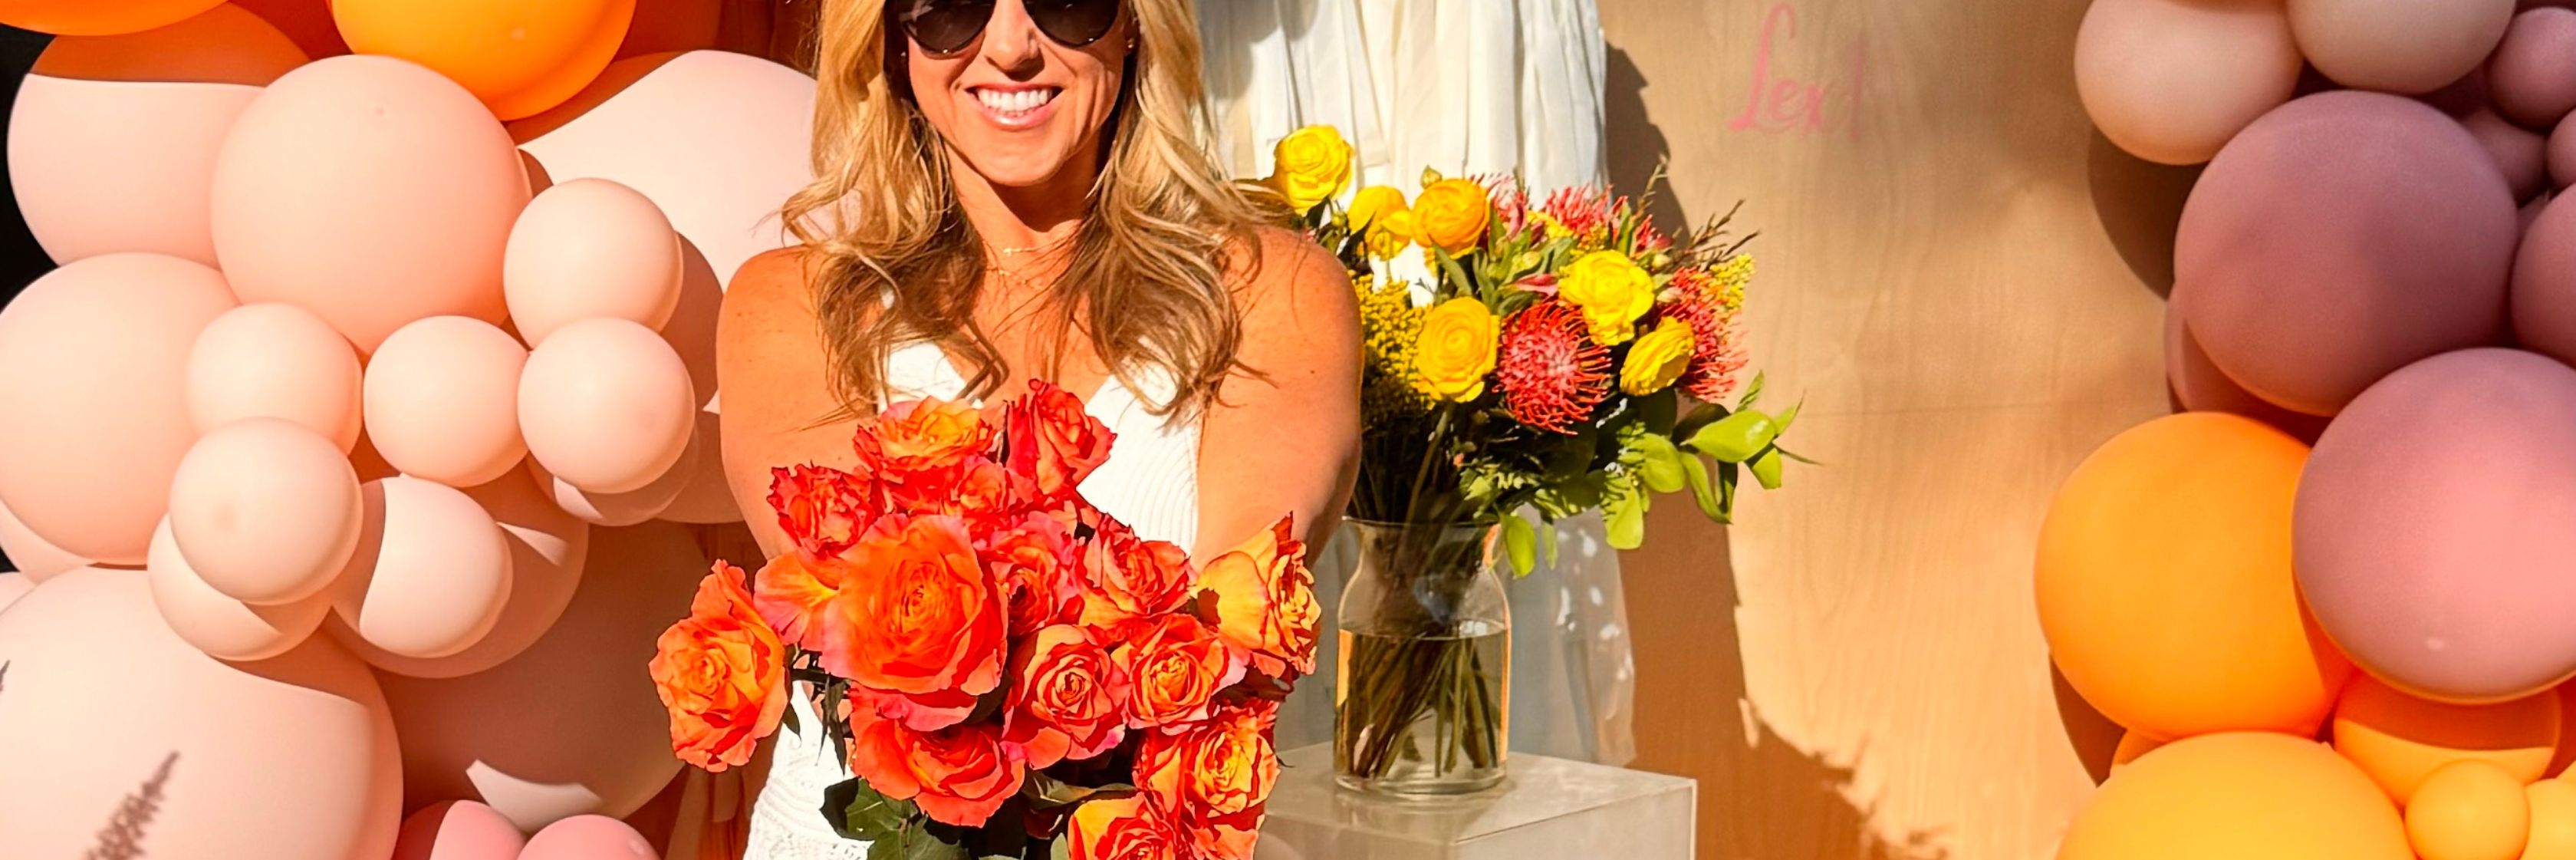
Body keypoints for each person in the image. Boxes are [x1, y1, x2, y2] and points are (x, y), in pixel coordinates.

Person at [715, 0, 1361, 856]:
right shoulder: (795, 305)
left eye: (1066, 1)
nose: (1013, 47)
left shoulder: (1268, 294)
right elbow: (865, 619)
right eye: (949, 8)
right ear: (891, 37)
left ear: (1134, 22)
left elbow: (1225, 639)